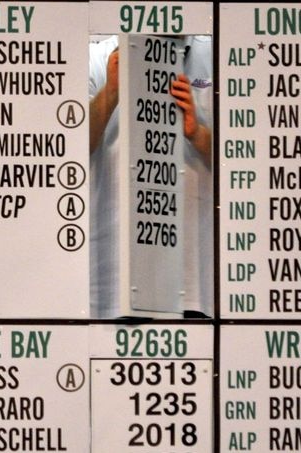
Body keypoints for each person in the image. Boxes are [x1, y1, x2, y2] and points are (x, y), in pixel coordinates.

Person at [89, 35, 213, 318]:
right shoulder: (97, 58)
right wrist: (111, 91)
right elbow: (70, 150)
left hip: (195, 287)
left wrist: (198, 133)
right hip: (113, 283)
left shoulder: (216, 55)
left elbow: (244, 165)